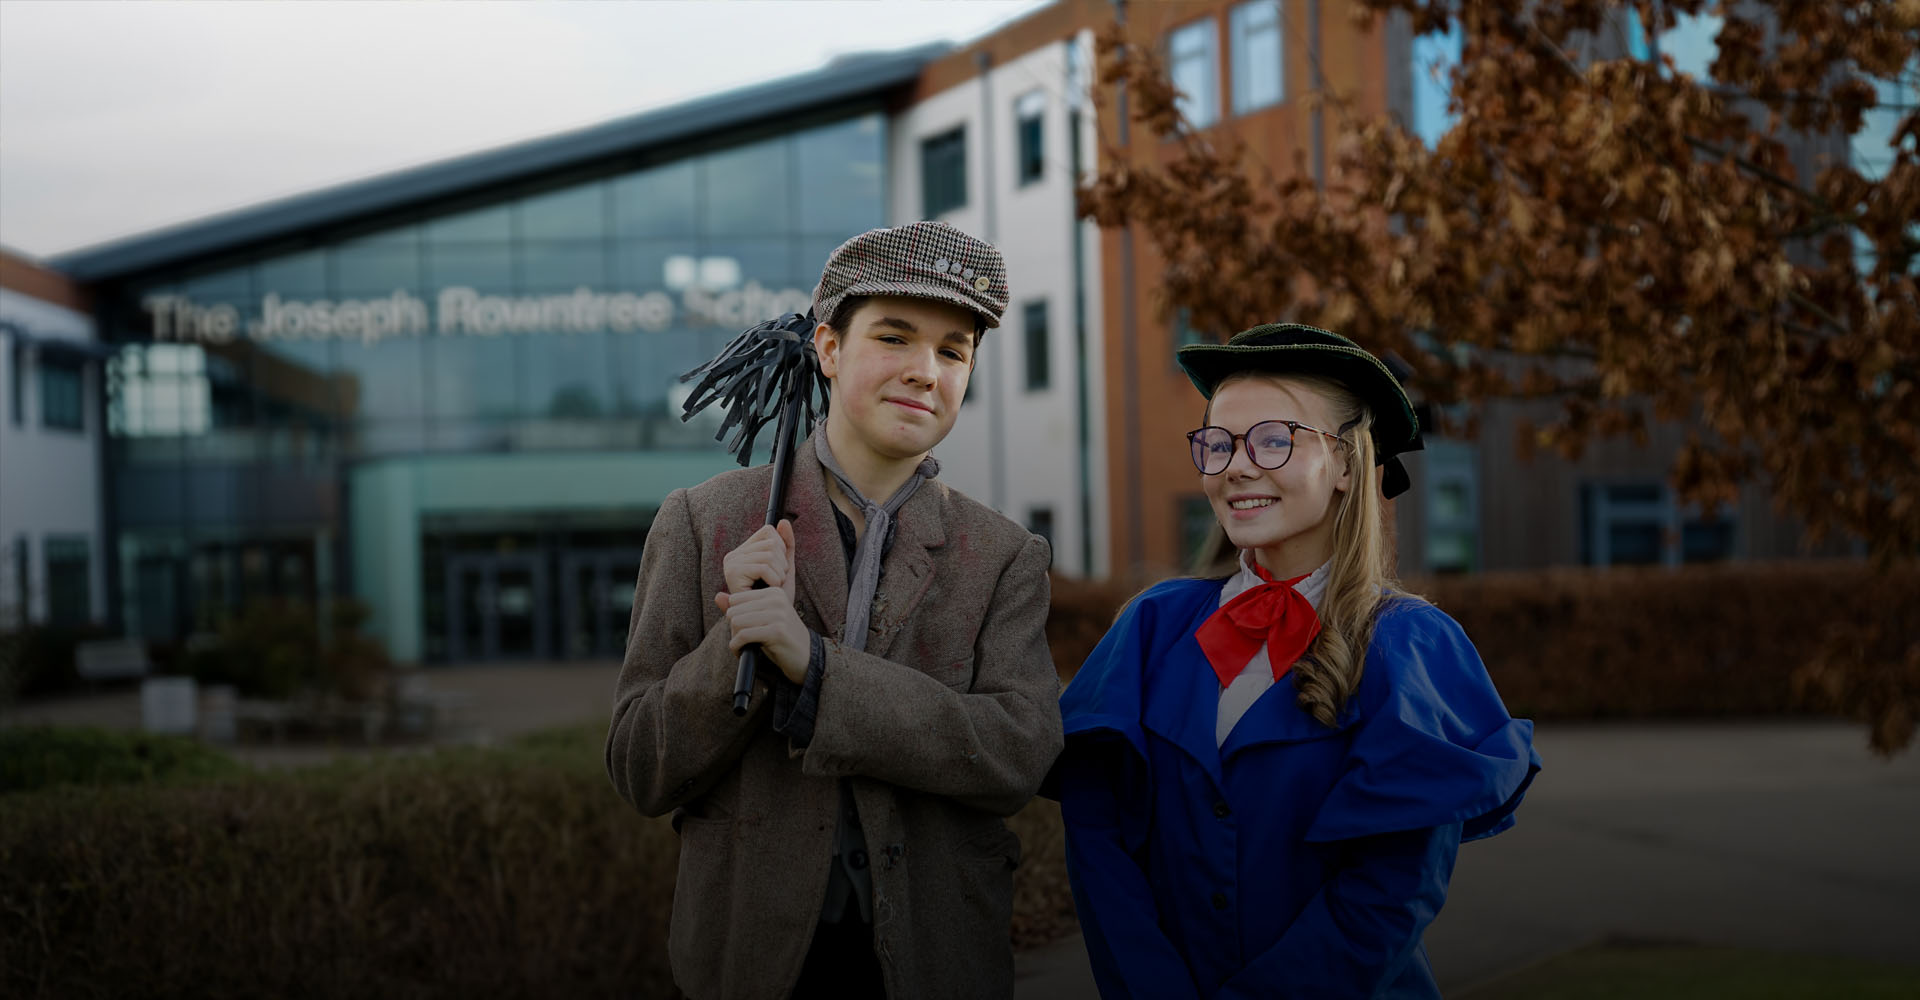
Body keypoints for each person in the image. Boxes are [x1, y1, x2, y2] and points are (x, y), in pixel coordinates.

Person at [606, 221, 1063, 1000]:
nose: (925, 371)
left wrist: (815, 669)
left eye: (953, 351)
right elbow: (640, 768)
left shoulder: (1003, 556)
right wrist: (734, 646)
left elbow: (1019, 754)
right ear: (827, 348)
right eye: (894, 337)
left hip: (937, 960)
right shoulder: (704, 522)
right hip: (748, 964)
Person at [1053, 323, 1540, 999]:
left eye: (1274, 439)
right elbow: (1097, 841)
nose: (1236, 466)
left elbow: (1388, 895)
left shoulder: (1411, 646)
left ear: (1346, 466)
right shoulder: (1150, 628)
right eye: (1218, 443)